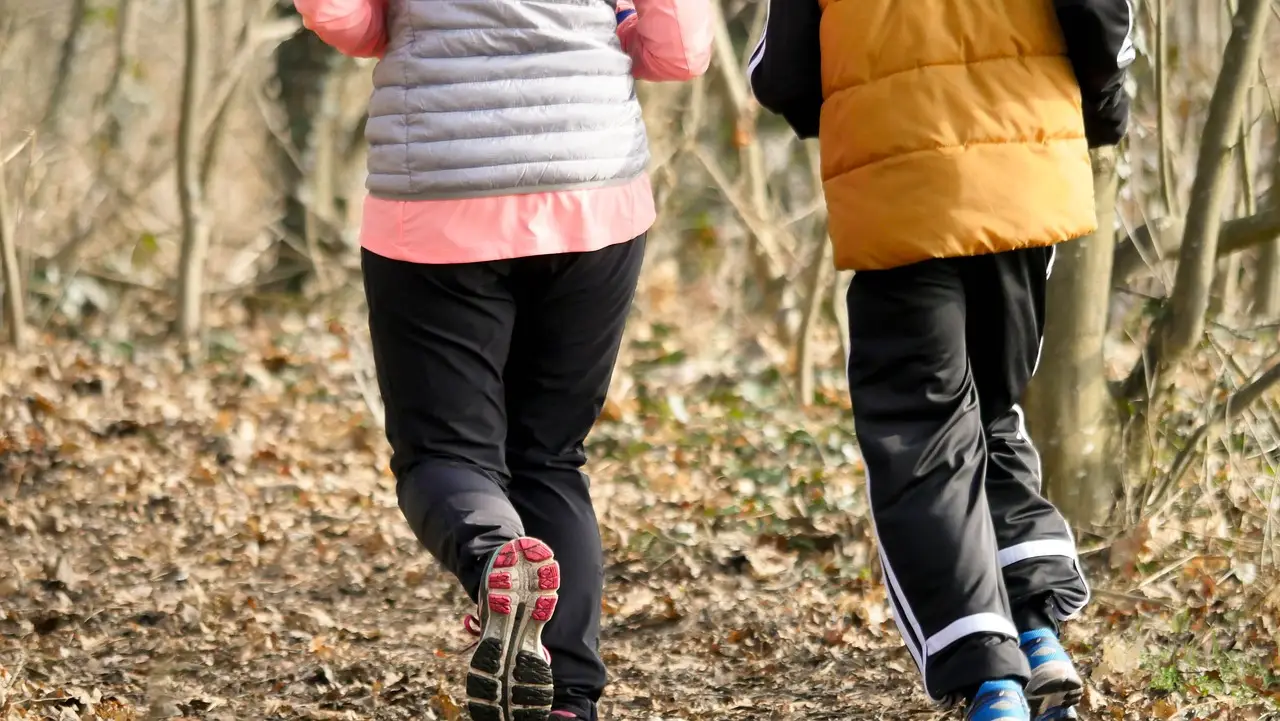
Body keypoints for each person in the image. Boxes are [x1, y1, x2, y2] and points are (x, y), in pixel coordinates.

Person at [293, 0, 712, 718]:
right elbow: (680, 48)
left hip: (438, 189)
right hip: (590, 177)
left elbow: (343, 19)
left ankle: (498, 557)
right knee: (550, 453)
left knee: (443, 454)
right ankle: (569, 697)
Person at [749, 2, 1133, 720]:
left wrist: (852, 109)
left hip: (900, 188)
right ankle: (1038, 630)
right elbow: (1101, 15)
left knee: (923, 437)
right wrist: (1101, 112)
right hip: (1024, 174)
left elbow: (781, 71)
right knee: (992, 410)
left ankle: (992, 680)